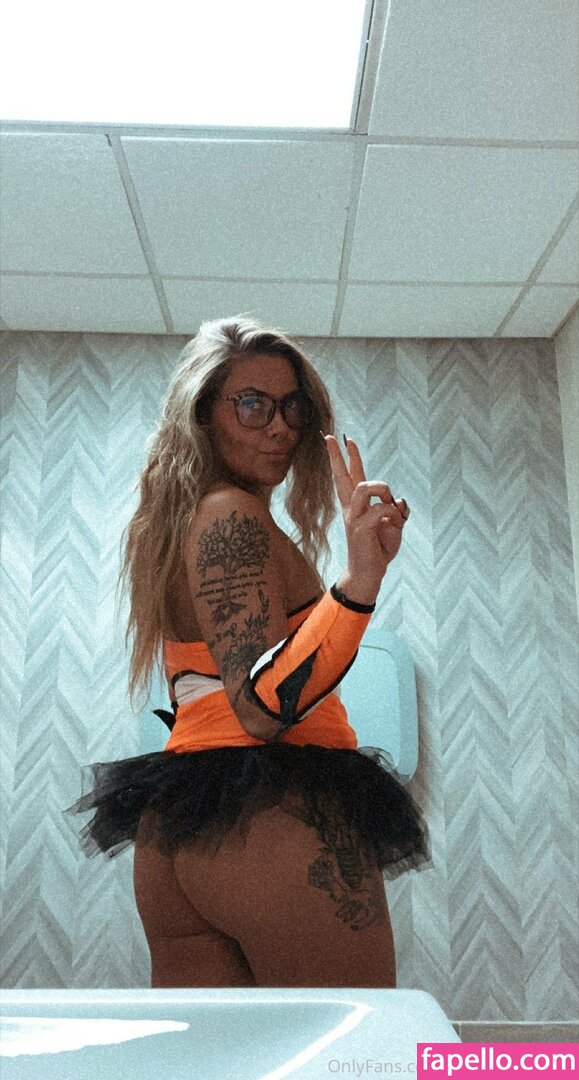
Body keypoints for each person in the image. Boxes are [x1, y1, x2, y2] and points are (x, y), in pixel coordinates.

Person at [67, 316, 430, 988]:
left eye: (292, 406)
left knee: (220, 1048)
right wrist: (360, 582)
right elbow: (260, 708)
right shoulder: (230, 514)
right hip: (273, 814)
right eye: (252, 404)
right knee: (354, 1040)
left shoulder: (183, 520)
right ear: (203, 413)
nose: (280, 426)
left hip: (178, 832)